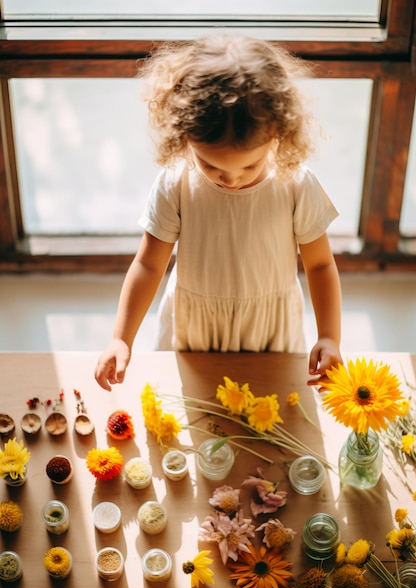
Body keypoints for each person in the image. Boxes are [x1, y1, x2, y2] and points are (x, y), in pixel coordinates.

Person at [95, 33, 343, 392]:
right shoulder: (176, 183)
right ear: (184, 139)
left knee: (268, 412)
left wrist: (330, 337)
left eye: (249, 166)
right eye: (210, 165)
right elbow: (149, 265)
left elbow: (320, 265)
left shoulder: (296, 184)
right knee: (196, 412)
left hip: (269, 329)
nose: (231, 179)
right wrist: (121, 338)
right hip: (195, 329)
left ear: (279, 135)